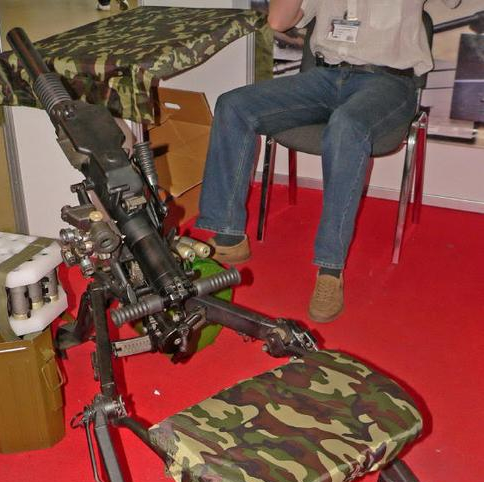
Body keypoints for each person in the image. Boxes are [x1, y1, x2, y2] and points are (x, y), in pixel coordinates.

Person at [196, 0, 462, 322]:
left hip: (389, 82)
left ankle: (330, 268)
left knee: (346, 127)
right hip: (324, 78)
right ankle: (228, 234)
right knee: (233, 106)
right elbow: (279, 21)